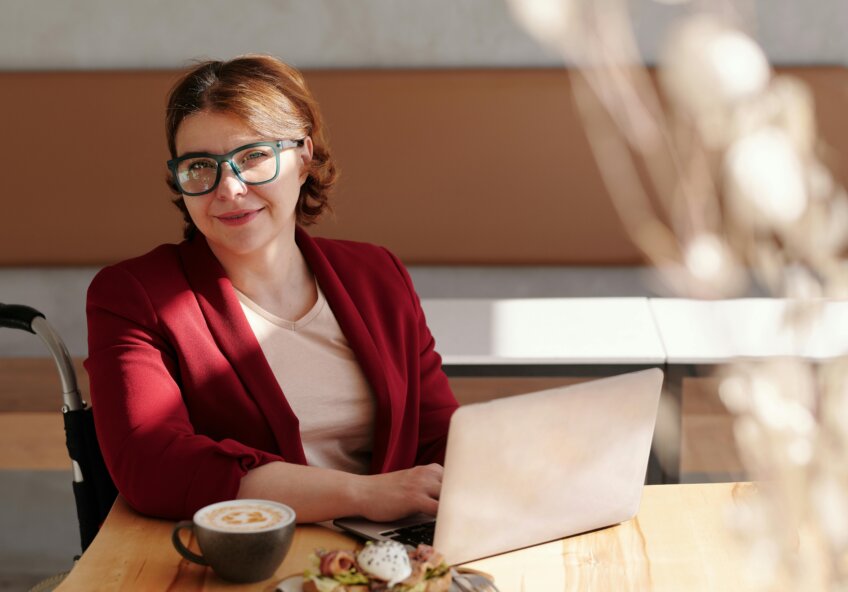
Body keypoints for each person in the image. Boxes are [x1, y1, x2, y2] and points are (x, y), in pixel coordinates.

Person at [84, 55, 458, 523]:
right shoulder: (133, 295)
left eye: (254, 156)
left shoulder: (377, 273)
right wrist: (363, 496)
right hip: (236, 563)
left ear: (303, 156)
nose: (229, 188)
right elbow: (152, 466)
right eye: (200, 166)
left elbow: (438, 437)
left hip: (387, 562)